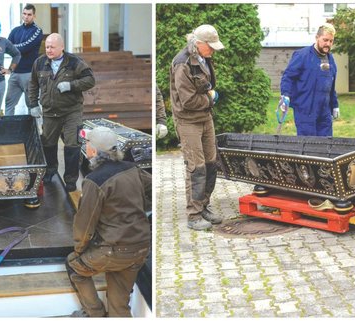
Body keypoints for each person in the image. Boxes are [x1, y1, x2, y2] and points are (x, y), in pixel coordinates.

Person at [65, 126, 151, 317]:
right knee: (119, 306)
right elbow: (152, 190)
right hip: (141, 247)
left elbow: (84, 224)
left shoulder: (94, 180)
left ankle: (95, 314)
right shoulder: (133, 169)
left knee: (73, 265)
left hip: (113, 251)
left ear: (93, 150)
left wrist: (80, 250)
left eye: (86, 143)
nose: (85, 146)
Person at [169, 24, 224, 230]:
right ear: (198, 43)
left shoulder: (204, 57)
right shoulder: (182, 63)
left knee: (211, 163)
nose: (213, 50)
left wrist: (209, 97)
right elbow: (188, 101)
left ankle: (203, 206)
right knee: (196, 167)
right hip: (188, 120)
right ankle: (193, 215)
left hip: (205, 117)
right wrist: (210, 98)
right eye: (210, 46)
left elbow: (206, 87)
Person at [28, 33, 95, 192]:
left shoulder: (74, 62)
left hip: (71, 111)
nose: (49, 50)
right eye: (47, 47)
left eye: (52, 47)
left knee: (72, 145)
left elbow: (90, 80)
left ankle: (71, 180)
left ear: (62, 47)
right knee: (48, 144)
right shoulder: (40, 63)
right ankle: (50, 171)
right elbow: (33, 84)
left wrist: (71, 85)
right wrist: (33, 104)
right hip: (50, 112)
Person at [279, 23, 340, 136]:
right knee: (308, 146)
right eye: (325, 40)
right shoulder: (302, 55)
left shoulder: (330, 59)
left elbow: (331, 86)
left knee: (326, 146)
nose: (328, 44)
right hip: (305, 110)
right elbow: (288, 77)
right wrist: (285, 95)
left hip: (324, 111)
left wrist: (335, 105)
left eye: (331, 41)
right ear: (317, 38)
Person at [5, 4, 43, 116]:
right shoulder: (15, 30)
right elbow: (7, 47)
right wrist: (14, 48)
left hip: (29, 73)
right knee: (9, 103)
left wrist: (13, 47)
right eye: (24, 14)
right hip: (15, 72)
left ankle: (33, 132)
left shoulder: (37, 31)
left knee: (31, 106)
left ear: (34, 16)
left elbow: (26, 47)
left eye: (29, 14)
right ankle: (8, 130)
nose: (26, 17)